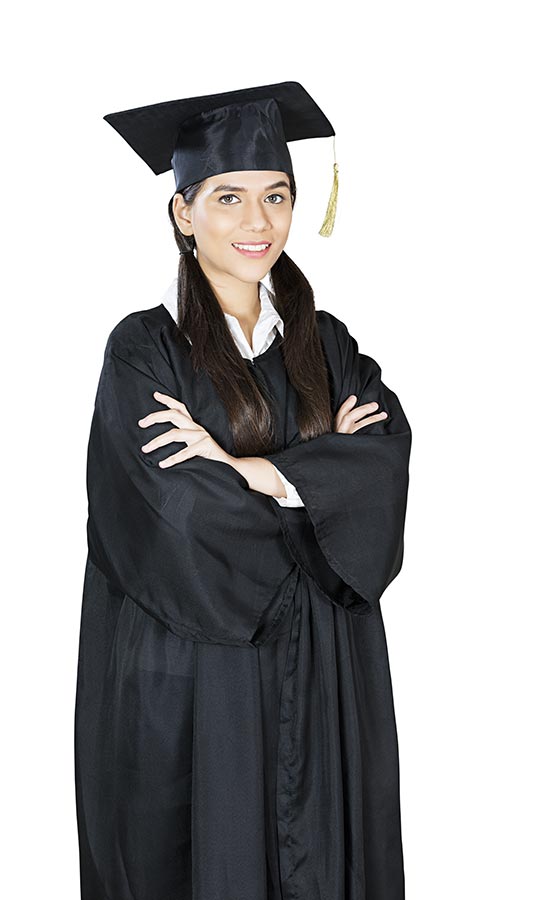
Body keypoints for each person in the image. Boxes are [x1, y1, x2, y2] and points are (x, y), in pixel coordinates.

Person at [74, 81, 412, 900]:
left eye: (276, 196)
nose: (257, 223)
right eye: (228, 198)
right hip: (192, 671)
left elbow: (385, 464)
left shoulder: (326, 345)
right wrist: (314, 476)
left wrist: (247, 470)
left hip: (324, 671)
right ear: (184, 212)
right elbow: (173, 513)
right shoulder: (143, 351)